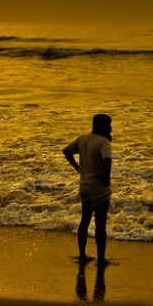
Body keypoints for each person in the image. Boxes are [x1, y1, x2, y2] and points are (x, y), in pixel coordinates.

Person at [63, 113, 113, 265]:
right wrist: (106, 178)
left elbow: (66, 151)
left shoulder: (83, 139)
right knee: (100, 223)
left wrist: (78, 168)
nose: (111, 127)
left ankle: (82, 255)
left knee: (84, 220)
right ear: (105, 126)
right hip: (98, 187)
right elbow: (107, 160)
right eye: (109, 124)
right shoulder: (103, 142)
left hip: (84, 186)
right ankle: (101, 258)